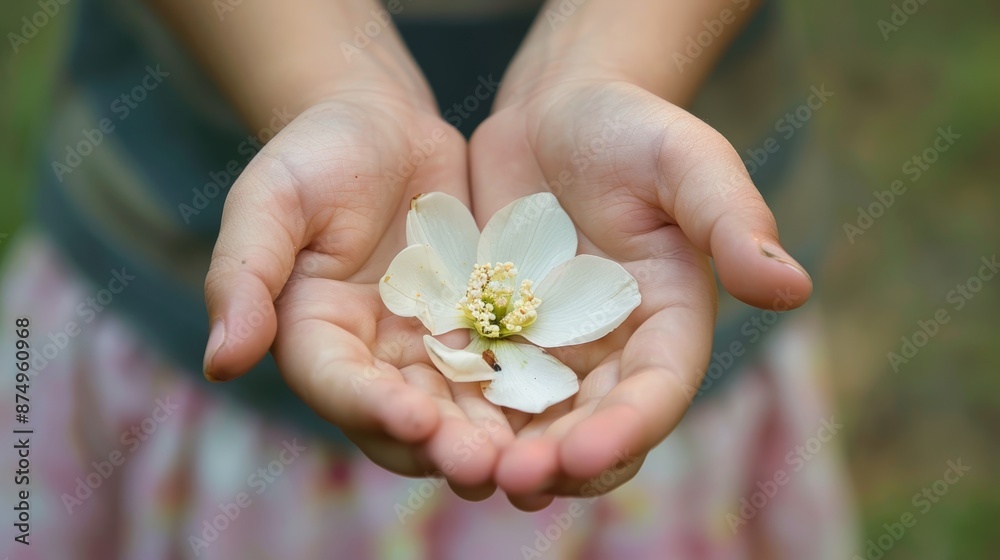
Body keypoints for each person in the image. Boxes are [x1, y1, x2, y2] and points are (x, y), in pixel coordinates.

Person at [1, 0, 856, 557]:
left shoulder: (578, 297)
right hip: (158, 262)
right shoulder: (426, 285)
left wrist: (606, 63)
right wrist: (331, 83)